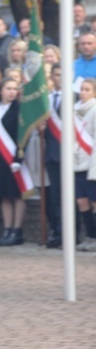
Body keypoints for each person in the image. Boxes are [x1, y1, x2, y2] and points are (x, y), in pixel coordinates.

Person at [0, 78, 30, 246]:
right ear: (1, 91)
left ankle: (17, 231)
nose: (12, 91)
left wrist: (19, 158)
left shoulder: (19, 110)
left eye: (14, 89)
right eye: (8, 88)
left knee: (17, 195)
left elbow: (23, 136)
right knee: (4, 195)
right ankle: (7, 229)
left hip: (14, 157)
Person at [42, 63, 63, 248]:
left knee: (69, 197)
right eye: (57, 74)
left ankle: (70, 234)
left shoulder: (76, 98)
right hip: (51, 154)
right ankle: (57, 231)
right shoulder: (46, 100)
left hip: (70, 155)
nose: (60, 78)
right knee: (54, 196)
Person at [74, 78, 96, 251]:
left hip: (91, 163)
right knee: (82, 202)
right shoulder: (73, 110)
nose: (83, 92)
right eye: (82, 89)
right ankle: (89, 235)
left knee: (94, 201)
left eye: (87, 89)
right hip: (76, 163)